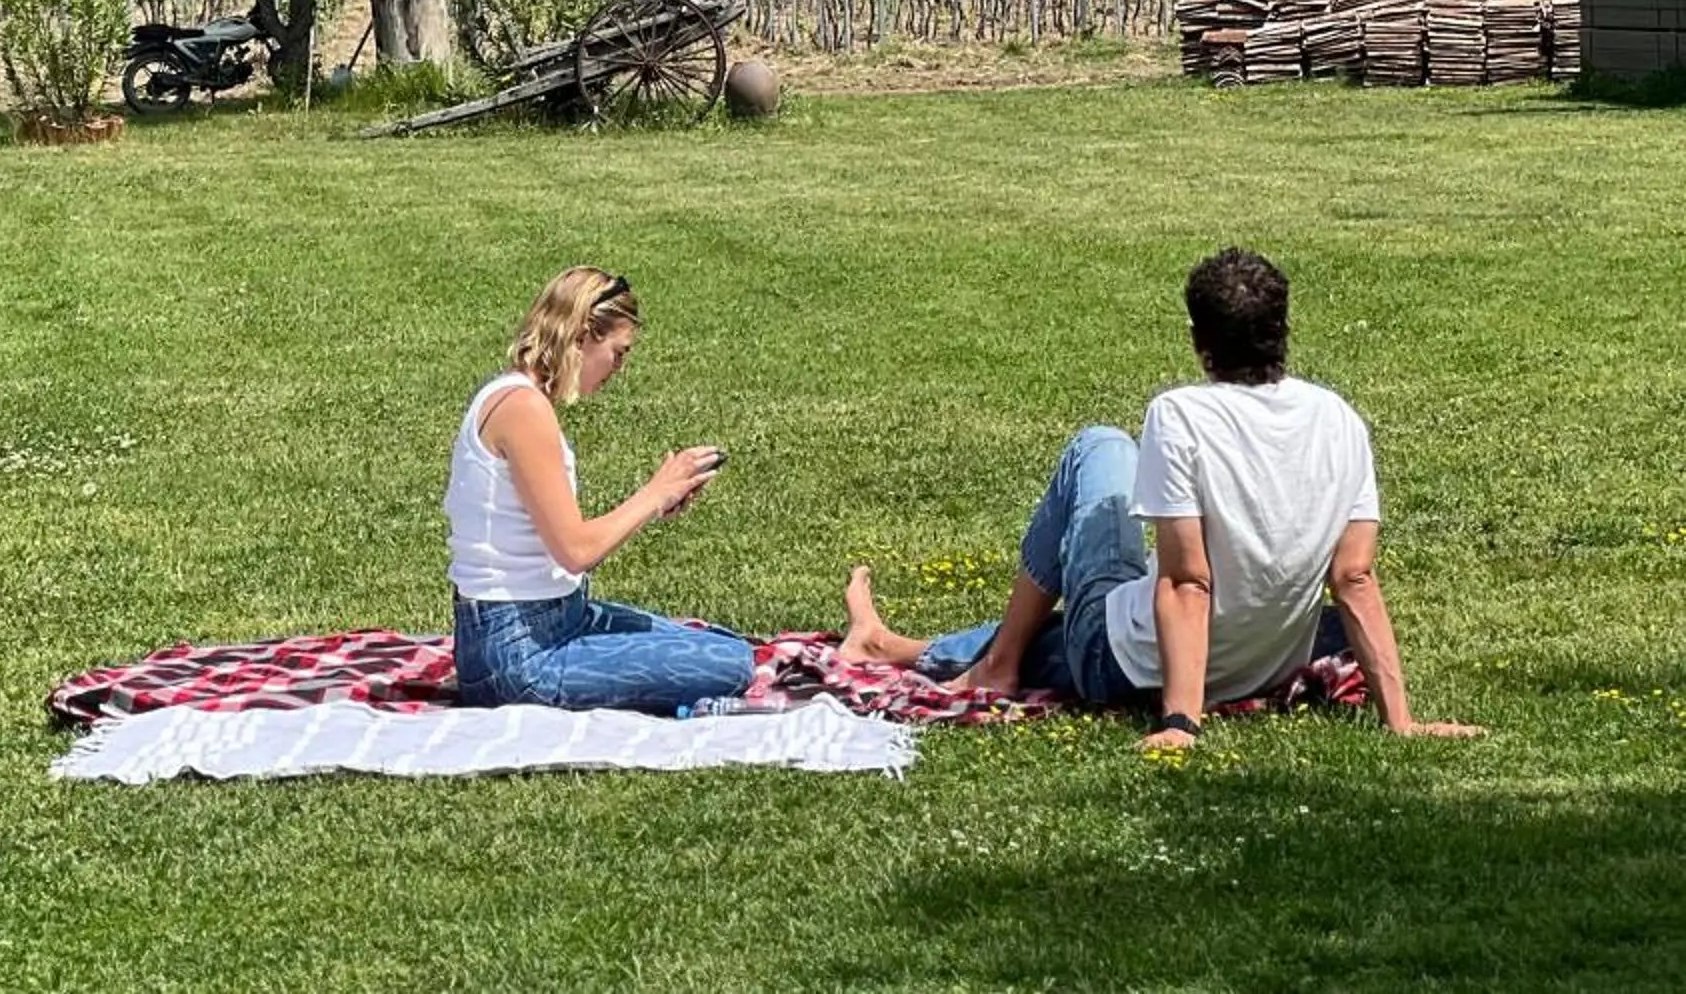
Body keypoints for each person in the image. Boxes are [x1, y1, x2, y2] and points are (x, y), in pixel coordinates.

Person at [840, 246, 1484, 755]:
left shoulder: (1180, 414)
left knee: (1098, 449)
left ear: (1198, 342)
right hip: (1263, 660)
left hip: (1131, 666)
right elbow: (1355, 576)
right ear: (1283, 330)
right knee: (1069, 628)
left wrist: (1182, 720)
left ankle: (998, 663)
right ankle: (894, 645)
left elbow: (1187, 584)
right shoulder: (1339, 419)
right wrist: (1400, 720)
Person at [447, 267, 756, 714]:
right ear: (583, 335)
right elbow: (575, 550)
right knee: (733, 664)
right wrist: (654, 493)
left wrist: (660, 499)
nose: (619, 368)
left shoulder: (516, 398)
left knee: (717, 642)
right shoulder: (523, 409)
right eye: (617, 352)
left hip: (552, 621)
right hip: (520, 660)